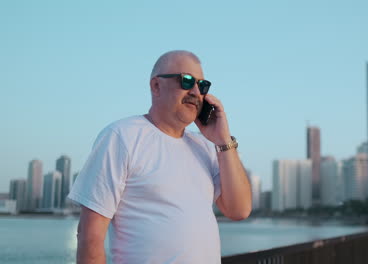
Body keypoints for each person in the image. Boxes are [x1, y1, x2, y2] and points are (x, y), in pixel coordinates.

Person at [68, 50, 252, 264]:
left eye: (202, 86)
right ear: (156, 86)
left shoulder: (206, 147)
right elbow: (90, 237)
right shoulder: (121, 137)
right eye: (186, 81)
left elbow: (239, 210)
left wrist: (223, 141)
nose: (196, 91)